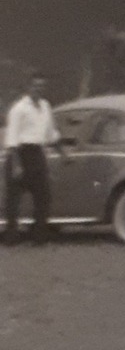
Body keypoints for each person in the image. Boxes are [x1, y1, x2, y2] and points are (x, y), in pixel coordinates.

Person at [4, 72, 68, 245]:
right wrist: (17, 165)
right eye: (35, 86)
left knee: (43, 197)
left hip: (37, 154)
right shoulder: (19, 109)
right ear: (29, 87)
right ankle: (11, 238)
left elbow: (51, 134)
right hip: (19, 154)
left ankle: (39, 237)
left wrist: (63, 154)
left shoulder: (45, 106)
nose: (38, 89)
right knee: (14, 200)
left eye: (42, 86)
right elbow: (12, 138)